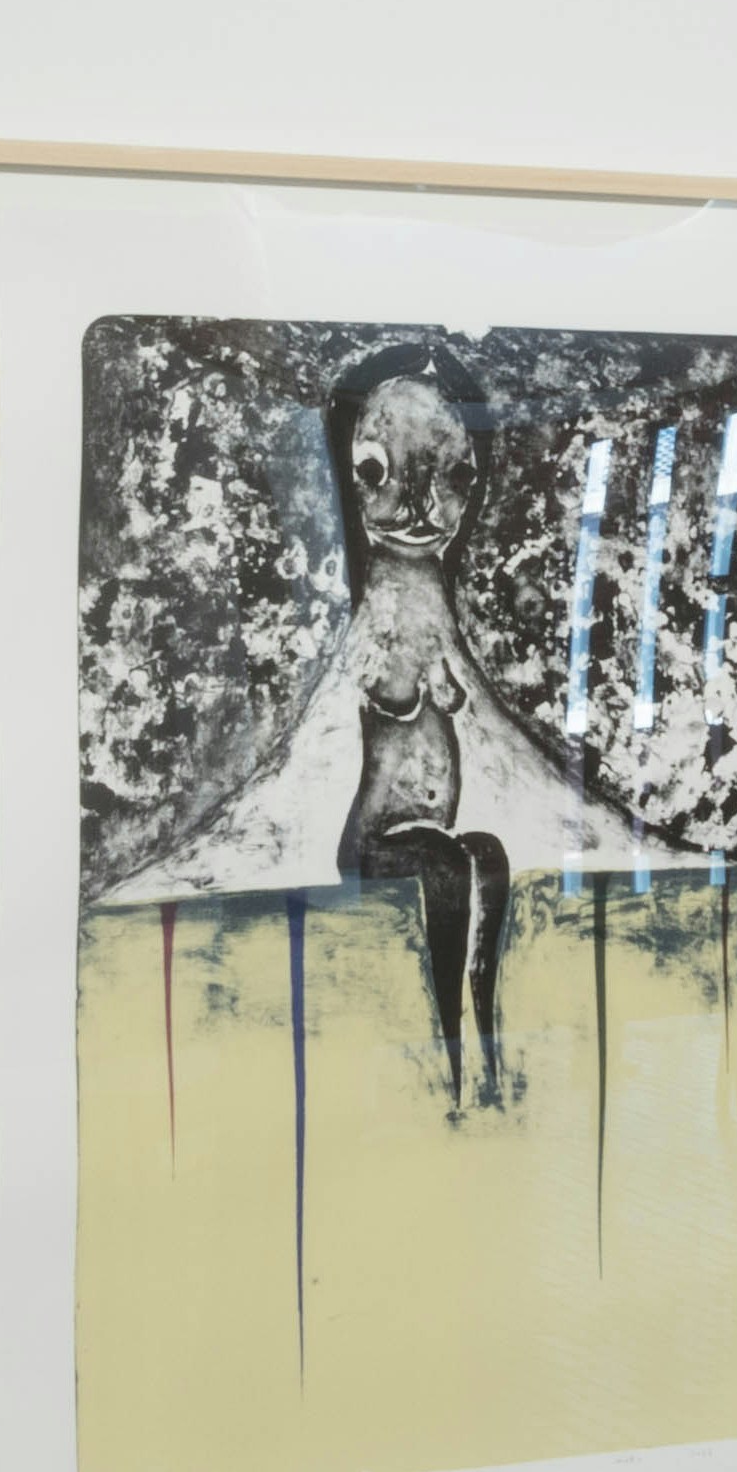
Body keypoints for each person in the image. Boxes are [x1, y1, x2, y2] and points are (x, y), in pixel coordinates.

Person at [324, 348, 519, 1103]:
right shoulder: (375, 598)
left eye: (454, 478)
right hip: (376, 838)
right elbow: (384, 693)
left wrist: (446, 685)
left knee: (484, 854)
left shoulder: (430, 593)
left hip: (429, 823)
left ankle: (483, 1012)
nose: (420, 507)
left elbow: (449, 691)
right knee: (440, 863)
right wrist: (414, 687)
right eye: (378, 474)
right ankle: (448, 1041)